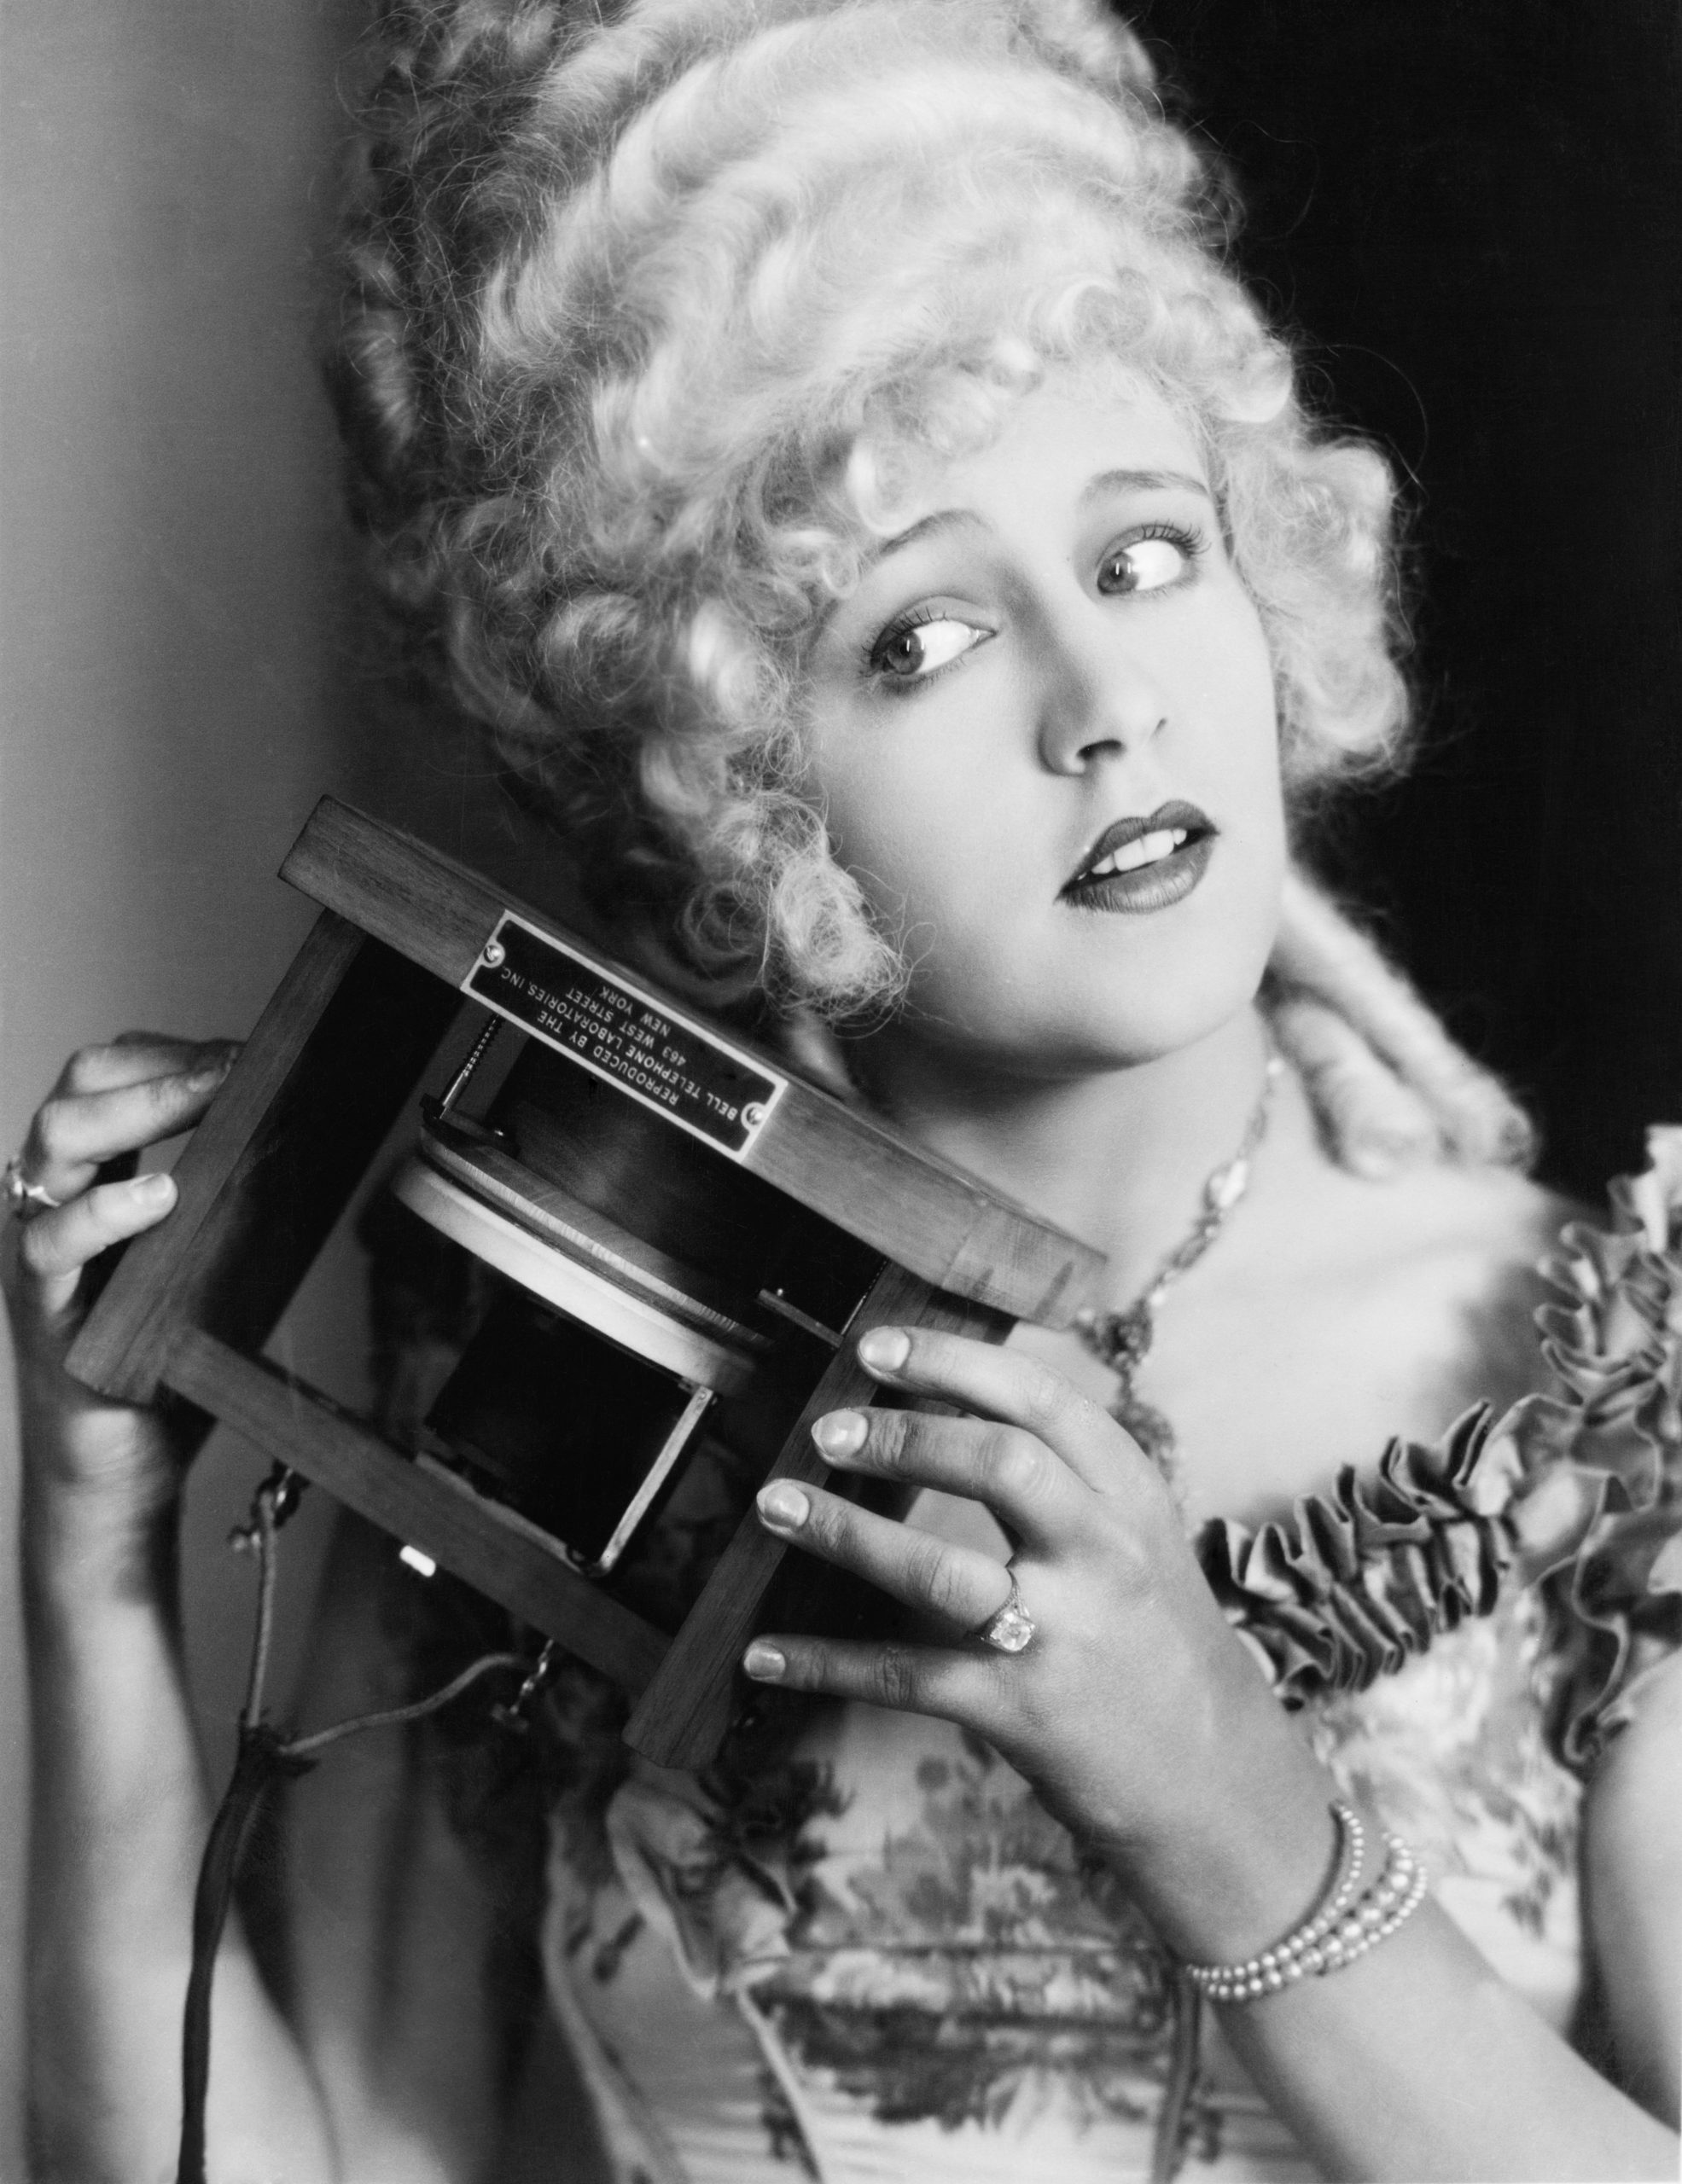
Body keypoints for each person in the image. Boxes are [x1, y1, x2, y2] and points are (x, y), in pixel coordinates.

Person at [4, 3, 1679, 2178]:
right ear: (729, 790)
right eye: (919, 638)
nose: (1101, 702)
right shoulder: (564, 1374)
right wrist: (89, 1565)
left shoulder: (1597, 1391)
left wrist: (1228, 1812)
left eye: (1145, 552)